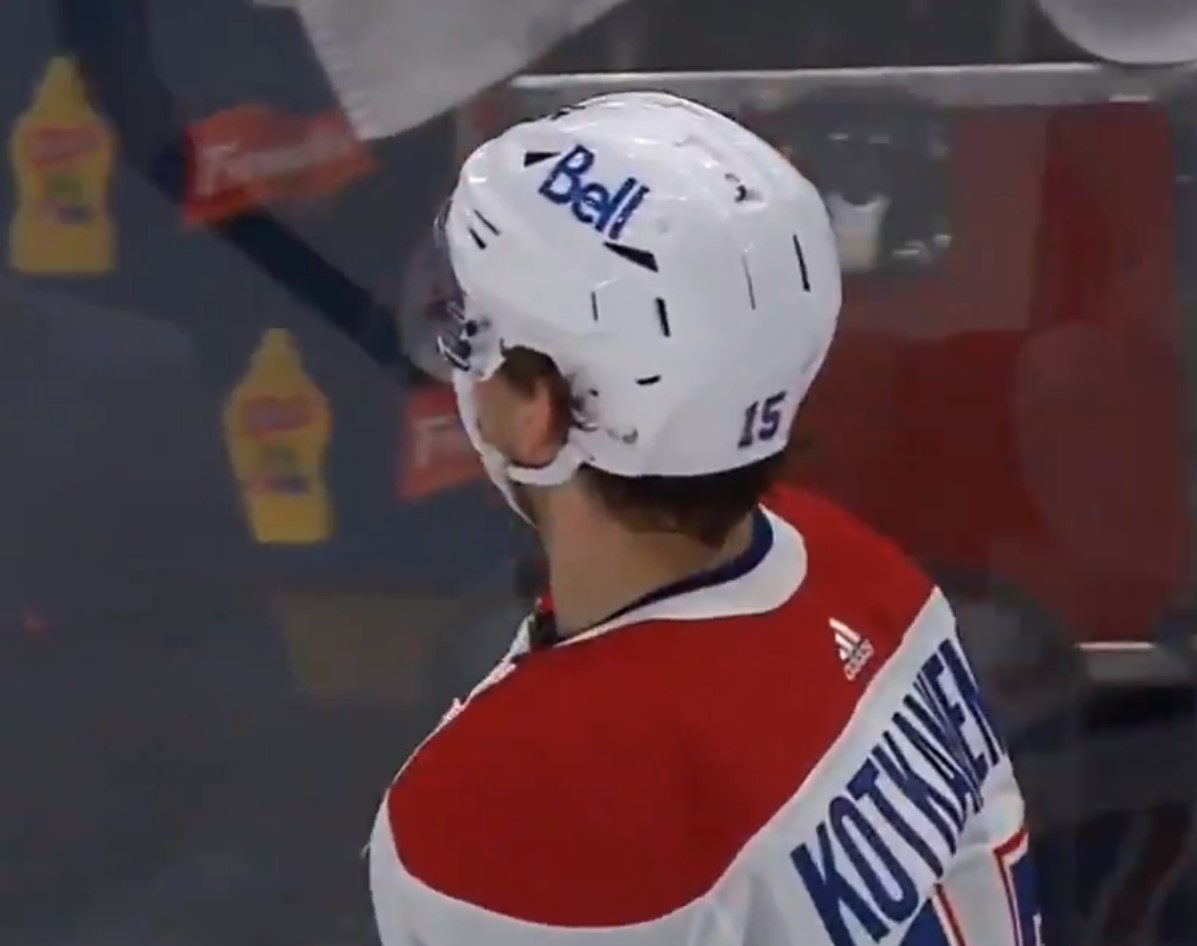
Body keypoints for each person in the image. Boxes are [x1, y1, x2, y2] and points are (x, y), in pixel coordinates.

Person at [370, 91, 1042, 946]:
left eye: (468, 332)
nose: (458, 364)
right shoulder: (859, 574)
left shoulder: (501, 810)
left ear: (540, 412)